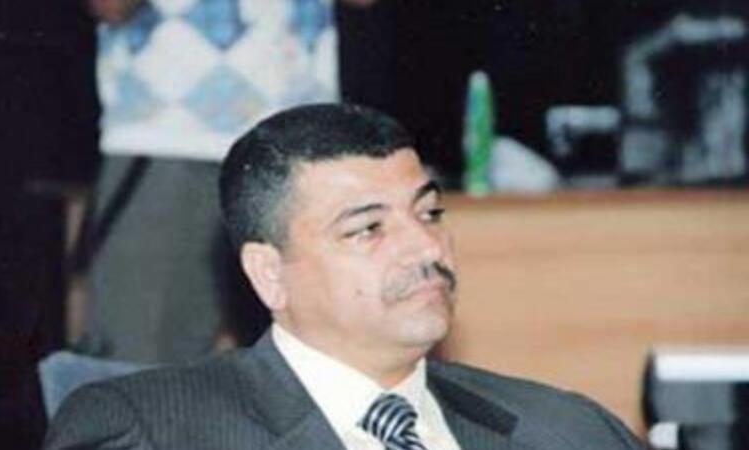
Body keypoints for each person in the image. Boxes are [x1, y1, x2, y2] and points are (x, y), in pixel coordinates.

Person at [45, 104, 644, 450]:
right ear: (269, 274)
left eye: (429, 214)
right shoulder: (153, 430)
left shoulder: (567, 429)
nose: (425, 246)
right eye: (368, 229)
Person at [76, 0, 374, 363]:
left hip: (300, 141)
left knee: (320, 358)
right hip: (168, 139)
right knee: (139, 360)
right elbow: (109, 7)